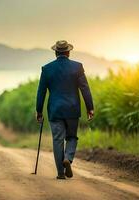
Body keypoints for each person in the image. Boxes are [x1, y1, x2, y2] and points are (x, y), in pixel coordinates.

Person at [36, 40, 94, 179]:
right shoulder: (77, 67)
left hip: (55, 110)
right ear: (68, 52)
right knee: (72, 137)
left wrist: (39, 111)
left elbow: (41, 92)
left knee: (57, 140)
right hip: (72, 109)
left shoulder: (47, 69)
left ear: (56, 52)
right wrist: (90, 107)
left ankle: (60, 173)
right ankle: (68, 157)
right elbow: (85, 89)